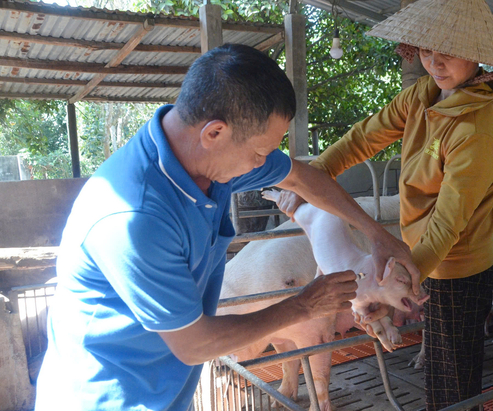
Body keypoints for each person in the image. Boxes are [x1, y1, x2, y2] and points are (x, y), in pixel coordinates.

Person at [34, 43, 419, 411]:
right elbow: (195, 345)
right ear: (214, 133)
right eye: (259, 153)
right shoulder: (135, 218)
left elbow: (302, 178)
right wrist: (304, 305)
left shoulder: (204, 161)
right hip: (108, 398)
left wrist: (378, 235)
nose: (263, 164)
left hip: (166, 390)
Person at [274, 0, 493, 409]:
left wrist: (399, 282)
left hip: (458, 267)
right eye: (427, 50)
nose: (435, 62)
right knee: (439, 368)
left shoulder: (478, 130)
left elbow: (449, 224)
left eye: (449, 51)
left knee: (454, 377)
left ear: (480, 57)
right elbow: (362, 139)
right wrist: (312, 177)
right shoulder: (421, 96)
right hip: (418, 258)